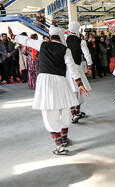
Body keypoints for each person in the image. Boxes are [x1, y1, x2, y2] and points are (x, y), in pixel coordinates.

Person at [8, 25, 89, 155]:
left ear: (51, 37)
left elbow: (27, 40)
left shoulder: (42, 44)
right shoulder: (65, 49)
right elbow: (72, 67)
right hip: (61, 81)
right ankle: (64, 138)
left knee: (49, 110)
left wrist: (13, 36)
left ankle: (59, 145)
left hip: (45, 81)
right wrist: (79, 83)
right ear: (62, 37)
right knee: (64, 108)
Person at [66, 21, 93, 123]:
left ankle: (74, 114)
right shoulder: (81, 41)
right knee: (79, 91)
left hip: (66, 69)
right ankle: (76, 113)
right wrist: (89, 66)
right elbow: (87, 55)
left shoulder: (64, 39)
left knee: (70, 91)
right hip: (77, 67)